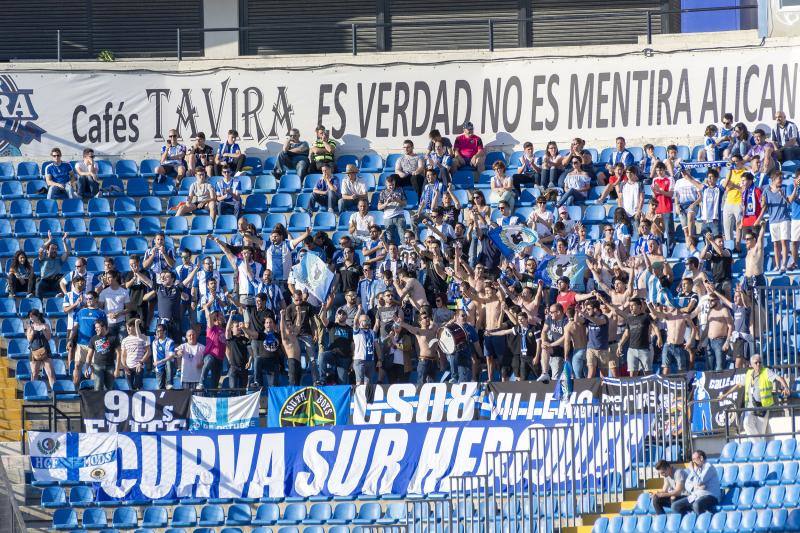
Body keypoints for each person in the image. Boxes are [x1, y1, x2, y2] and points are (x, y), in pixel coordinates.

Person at [721, 354, 789, 442]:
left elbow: (779, 378)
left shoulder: (766, 371)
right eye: (756, 363)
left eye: (760, 362)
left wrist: (786, 387)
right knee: (746, 423)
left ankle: (759, 447)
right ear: (751, 364)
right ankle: (759, 445)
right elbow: (738, 385)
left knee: (760, 432)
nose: (758, 364)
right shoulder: (749, 373)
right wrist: (725, 395)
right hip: (750, 407)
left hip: (763, 408)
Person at [671, 450, 720, 516]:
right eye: (692, 459)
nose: (693, 462)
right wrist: (695, 487)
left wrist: (692, 470)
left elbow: (699, 481)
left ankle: (702, 524)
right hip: (696, 496)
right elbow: (687, 484)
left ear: (701, 458)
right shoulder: (696, 469)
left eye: (694, 459)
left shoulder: (708, 467)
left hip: (710, 496)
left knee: (696, 505)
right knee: (675, 506)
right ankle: (690, 521)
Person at [319, 296, 355, 384]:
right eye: (340, 313)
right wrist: (324, 309)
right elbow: (322, 318)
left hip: (344, 358)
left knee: (342, 381)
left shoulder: (350, 329)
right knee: (322, 355)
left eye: (344, 314)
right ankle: (322, 379)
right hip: (333, 354)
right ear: (337, 315)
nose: (341, 315)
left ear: (347, 317)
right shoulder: (333, 325)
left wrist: (353, 360)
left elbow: (352, 344)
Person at [86, 318, 121, 391]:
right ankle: (98, 402)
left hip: (110, 366)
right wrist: (87, 368)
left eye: (97, 327)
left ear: (104, 327)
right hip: (97, 366)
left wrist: (117, 369)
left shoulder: (113, 338)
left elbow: (119, 354)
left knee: (110, 389)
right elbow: (89, 355)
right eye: (95, 328)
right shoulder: (93, 339)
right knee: (98, 388)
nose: (96, 329)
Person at [26, 310, 55, 388]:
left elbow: (48, 338)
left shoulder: (46, 325)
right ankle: (34, 391)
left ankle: (54, 392)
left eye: (32, 316)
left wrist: (44, 330)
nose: (30, 318)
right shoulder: (30, 327)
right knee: (34, 373)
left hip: (46, 351)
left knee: (50, 373)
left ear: (37, 316)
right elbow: (29, 339)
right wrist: (33, 330)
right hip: (34, 352)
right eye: (30, 316)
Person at [36, 232, 70, 298]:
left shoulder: (59, 259)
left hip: (55, 282)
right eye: (52, 249)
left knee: (65, 278)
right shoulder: (43, 258)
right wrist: (49, 240)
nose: (54, 251)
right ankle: (39, 303)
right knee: (39, 284)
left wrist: (64, 241)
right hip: (45, 281)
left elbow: (67, 253)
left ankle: (62, 296)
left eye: (55, 249)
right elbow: (41, 250)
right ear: (47, 250)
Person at [377, 174, 408, 245]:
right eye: (389, 185)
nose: (391, 187)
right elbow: (379, 207)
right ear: (386, 184)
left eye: (393, 185)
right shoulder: (382, 193)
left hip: (399, 216)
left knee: (403, 237)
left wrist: (398, 200)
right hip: (388, 217)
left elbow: (405, 203)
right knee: (389, 239)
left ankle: (404, 251)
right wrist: (386, 203)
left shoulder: (400, 190)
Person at [120, 318, 150, 390]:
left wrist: (140, 363)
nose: (128, 329)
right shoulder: (125, 340)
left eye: (129, 327)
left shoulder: (144, 337)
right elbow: (123, 355)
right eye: (127, 328)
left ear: (135, 327)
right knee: (131, 389)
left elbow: (148, 352)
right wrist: (124, 366)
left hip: (139, 366)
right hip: (128, 368)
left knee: (138, 387)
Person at [98, 271, 130, 338]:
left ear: (115, 278)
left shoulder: (124, 292)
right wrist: (108, 315)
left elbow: (128, 308)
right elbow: (100, 308)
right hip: (108, 322)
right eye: (106, 278)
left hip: (121, 322)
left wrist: (119, 313)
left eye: (109, 277)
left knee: (122, 343)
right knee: (110, 343)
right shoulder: (104, 292)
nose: (107, 280)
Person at [225, 311, 250, 389]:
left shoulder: (245, 339)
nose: (239, 328)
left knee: (243, 391)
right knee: (232, 390)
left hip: (244, 368)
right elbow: (227, 330)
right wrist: (231, 316)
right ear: (232, 329)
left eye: (239, 326)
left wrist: (249, 361)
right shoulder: (231, 338)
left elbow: (251, 351)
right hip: (233, 367)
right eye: (237, 326)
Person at [151, 323, 176, 389]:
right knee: (160, 388)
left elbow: (171, 356)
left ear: (164, 331)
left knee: (168, 362)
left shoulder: (170, 342)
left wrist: (160, 362)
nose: (157, 332)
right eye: (157, 331)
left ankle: (169, 383)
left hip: (168, 366)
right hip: (159, 367)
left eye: (159, 331)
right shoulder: (154, 342)